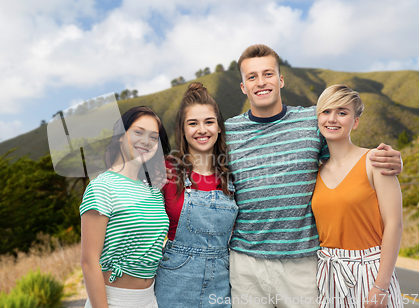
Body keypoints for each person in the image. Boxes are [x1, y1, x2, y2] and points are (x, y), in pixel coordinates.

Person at [224, 44, 403, 308]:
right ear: (243, 87)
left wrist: (392, 160)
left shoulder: (313, 120)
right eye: (252, 77)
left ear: (281, 80)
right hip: (246, 264)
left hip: (303, 263)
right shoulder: (229, 131)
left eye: (268, 74)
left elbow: (347, 154)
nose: (261, 82)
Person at [312, 84, 403, 308]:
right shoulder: (314, 172)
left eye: (342, 112)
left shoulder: (375, 160)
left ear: (355, 121)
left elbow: (395, 224)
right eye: (326, 111)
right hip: (329, 275)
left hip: (372, 273)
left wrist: (381, 287)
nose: (332, 119)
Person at [155, 82, 238, 307]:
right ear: (182, 129)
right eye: (193, 123)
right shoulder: (166, 169)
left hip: (222, 283)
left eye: (209, 122)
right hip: (174, 282)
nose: (202, 130)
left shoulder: (230, 177)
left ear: (219, 127)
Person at [80, 106, 171, 308]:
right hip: (113, 300)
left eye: (153, 137)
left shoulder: (154, 192)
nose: (146, 141)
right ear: (121, 136)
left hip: (150, 300)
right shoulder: (102, 187)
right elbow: (89, 262)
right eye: (138, 132)